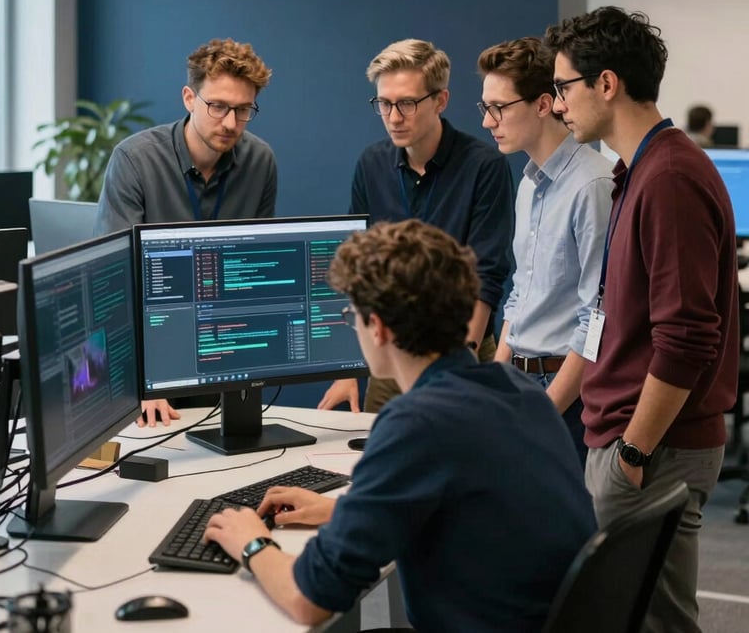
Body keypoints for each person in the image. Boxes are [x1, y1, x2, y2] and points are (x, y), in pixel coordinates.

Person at [204, 219, 596, 632]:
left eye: (350, 314)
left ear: (378, 327)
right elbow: (471, 505)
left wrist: (251, 541)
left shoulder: (417, 423)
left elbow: (310, 600)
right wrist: (343, 511)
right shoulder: (517, 389)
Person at [545, 6, 739, 633]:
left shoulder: (670, 178)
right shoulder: (641, 170)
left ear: (606, 83)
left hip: (651, 447)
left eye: (563, 88)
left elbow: (685, 339)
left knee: (658, 623)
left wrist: (632, 452)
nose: (556, 104)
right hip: (634, 441)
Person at [318, 38, 514, 413]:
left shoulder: (483, 166)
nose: (394, 117)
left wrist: (459, 366)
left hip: (463, 350)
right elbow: (358, 274)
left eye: (406, 103)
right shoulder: (372, 164)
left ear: (440, 101)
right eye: (384, 104)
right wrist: (347, 367)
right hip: (391, 351)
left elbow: (487, 275)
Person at [95, 38, 277, 426]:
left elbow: (259, 269)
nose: (230, 123)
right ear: (189, 98)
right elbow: (115, 282)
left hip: (226, 352)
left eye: (243, 110)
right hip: (148, 359)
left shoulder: (260, 160)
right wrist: (142, 382)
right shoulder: (136, 160)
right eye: (217, 106)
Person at [478, 37, 613, 464]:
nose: (487, 122)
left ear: (542, 104)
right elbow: (521, 293)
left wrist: (546, 410)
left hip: (563, 394)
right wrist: (497, 380)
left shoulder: (593, 185)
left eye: (498, 107)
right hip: (519, 384)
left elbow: (596, 319)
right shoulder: (528, 183)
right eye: (485, 108)